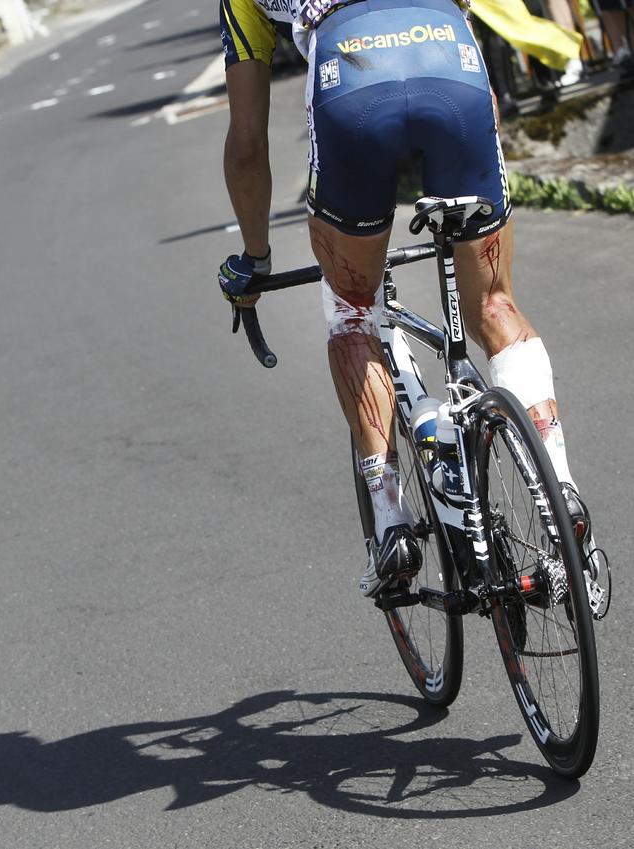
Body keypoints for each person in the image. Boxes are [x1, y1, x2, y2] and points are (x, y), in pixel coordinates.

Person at [218, 0, 599, 598]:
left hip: (351, 88)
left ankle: (391, 520)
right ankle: (559, 489)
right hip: (452, 68)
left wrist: (255, 257)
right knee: (495, 305)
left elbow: (247, 146)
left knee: (351, 309)